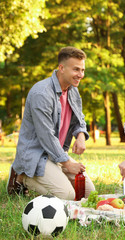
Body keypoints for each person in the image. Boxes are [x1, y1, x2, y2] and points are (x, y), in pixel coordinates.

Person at [7, 46, 95, 200]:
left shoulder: (73, 90)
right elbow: (46, 135)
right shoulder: (41, 93)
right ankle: (21, 176)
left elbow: (79, 118)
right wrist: (68, 164)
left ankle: (53, 173)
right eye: (76, 70)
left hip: (57, 154)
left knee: (89, 193)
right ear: (61, 68)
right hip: (36, 155)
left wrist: (81, 135)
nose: (80, 75)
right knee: (67, 195)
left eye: (82, 70)